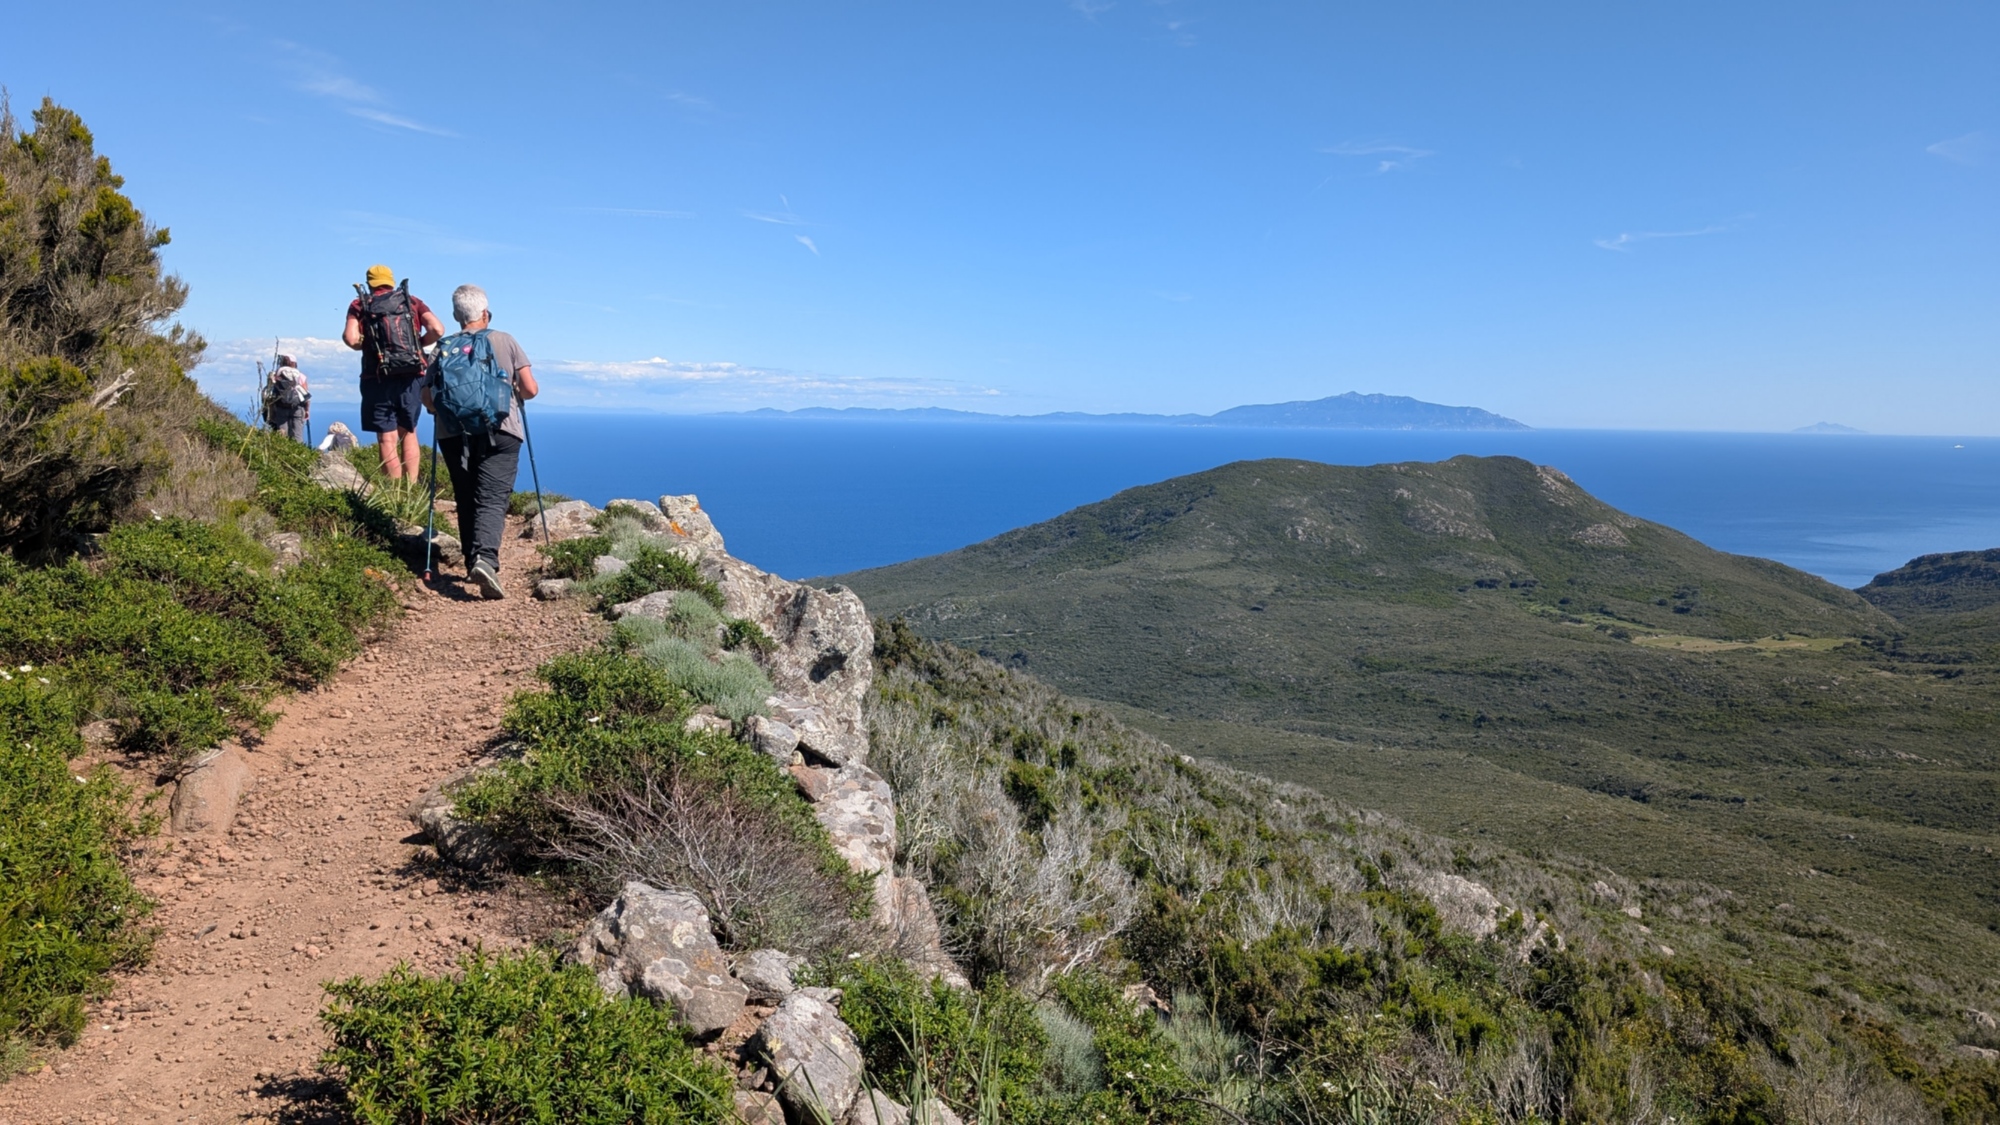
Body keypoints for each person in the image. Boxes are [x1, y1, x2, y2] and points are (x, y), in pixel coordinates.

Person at [422, 284, 539, 599]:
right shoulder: (504, 340)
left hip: (452, 432)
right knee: (492, 496)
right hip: (501, 429)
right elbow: (530, 389)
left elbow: (427, 399)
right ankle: (485, 559)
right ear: (486, 313)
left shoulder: (441, 348)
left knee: (465, 495)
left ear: (456, 315)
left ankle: (473, 559)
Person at [343, 264, 444, 481]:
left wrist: (369, 346)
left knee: (386, 439)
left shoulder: (360, 304)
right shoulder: (411, 301)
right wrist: (419, 344)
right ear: (391, 281)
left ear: (370, 283)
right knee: (408, 433)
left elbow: (351, 338)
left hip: (377, 376)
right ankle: (410, 491)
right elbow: (437, 329)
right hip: (412, 376)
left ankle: (393, 494)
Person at [262, 354, 310, 441]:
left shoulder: (278, 373)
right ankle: (298, 452)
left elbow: (270, 391)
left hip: (281, 406)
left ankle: (281, 451)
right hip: (297, 407)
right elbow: (306, 395)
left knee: (282, 432)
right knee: (297, 434)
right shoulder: (300, 376)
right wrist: (307, 410)